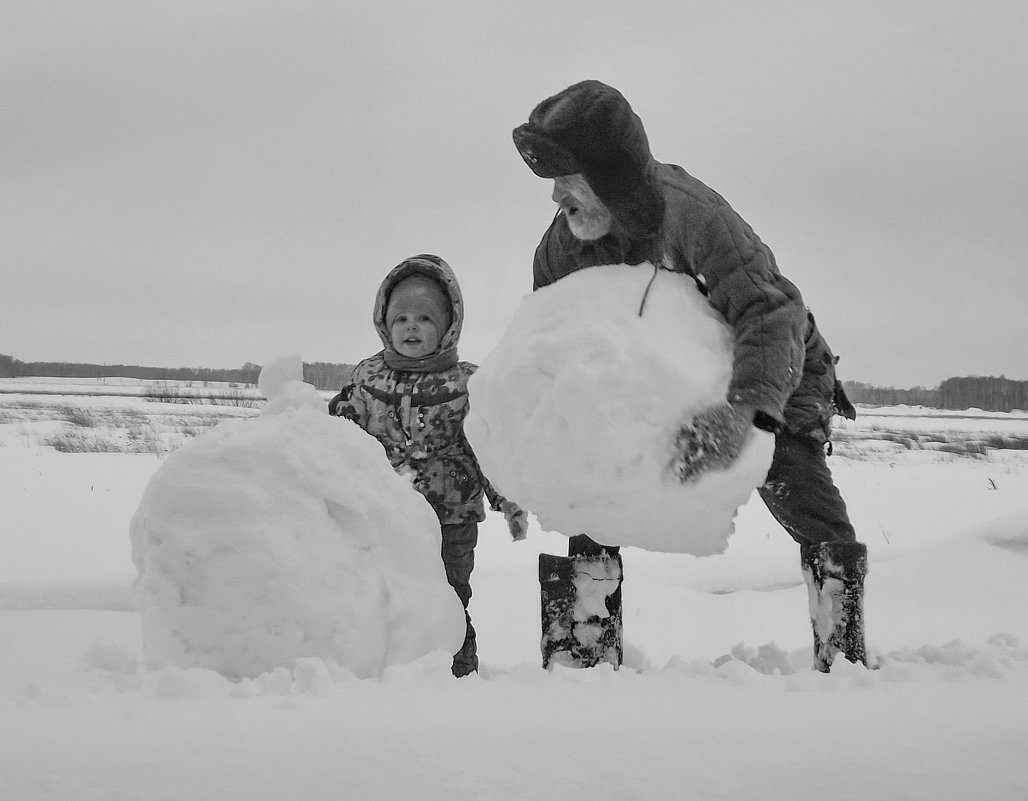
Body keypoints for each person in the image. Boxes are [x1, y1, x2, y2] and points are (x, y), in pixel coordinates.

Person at [512, 80, 867, 672]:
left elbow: (771, 311)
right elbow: (553, 358)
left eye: (568, 179)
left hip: (770, 367)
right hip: (652, 388)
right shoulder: (559, 252)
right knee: (593, 496)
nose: (556, 197)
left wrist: (743, 413)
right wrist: (527, 464)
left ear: (610, 177)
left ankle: (843, 654)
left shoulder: (696, 219)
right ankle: (583, 659)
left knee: (797, 488)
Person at [329, 254, 527, 677]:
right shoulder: (367, 382)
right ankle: (393, 671)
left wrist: (508, 499)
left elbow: (489, 448)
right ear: (384, 324)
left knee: (451, 596)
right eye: (401, 319)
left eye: (424, 318)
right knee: (388, 596)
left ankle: (459, 673)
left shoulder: (467, 385)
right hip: (387, 518)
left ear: (448, 326)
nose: (411, 327)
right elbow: (336, 440)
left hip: (451, 519)